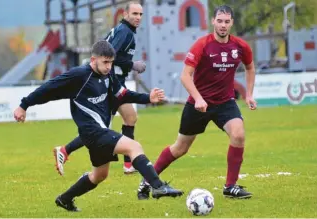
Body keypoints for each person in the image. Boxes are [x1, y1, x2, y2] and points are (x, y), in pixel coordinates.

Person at [14, 40, 183, 212]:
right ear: (93, 60)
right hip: (92, 132)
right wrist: (24, 105)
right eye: (105, 62)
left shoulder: (108, 75)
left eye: (111, 62)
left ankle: (65, 199)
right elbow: (48, 88)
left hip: (98, 131)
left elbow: (123, 95)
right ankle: (157, 186)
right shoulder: (79, 75)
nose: (109, 66)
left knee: (99, 175)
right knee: (134, 147)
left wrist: (148, 98)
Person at [137, 5, 257, 200]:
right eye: (219, 21)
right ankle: (147, 179)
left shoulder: (241, 46)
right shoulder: (202, 45)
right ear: (213, 21)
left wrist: (249, 94)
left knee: (239, 134)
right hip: (197, 104)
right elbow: (185, 76)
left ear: (232, 23)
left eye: (227, 21)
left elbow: (250, 68)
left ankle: (230, 186)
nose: (223, 25)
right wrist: (199, 98)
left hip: (225, 102)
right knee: (180, 148)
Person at [54, 1, 147, 175]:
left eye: (140, 14)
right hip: (112, 82)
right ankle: (68, 152)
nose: (138, 18)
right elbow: (110, 56)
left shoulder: (122, 30)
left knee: (126, 119)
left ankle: (127, 164)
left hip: (114, 80)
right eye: (134, 14)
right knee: (108, 126)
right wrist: (132, 64)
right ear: (125, 14)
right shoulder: (125, 32)